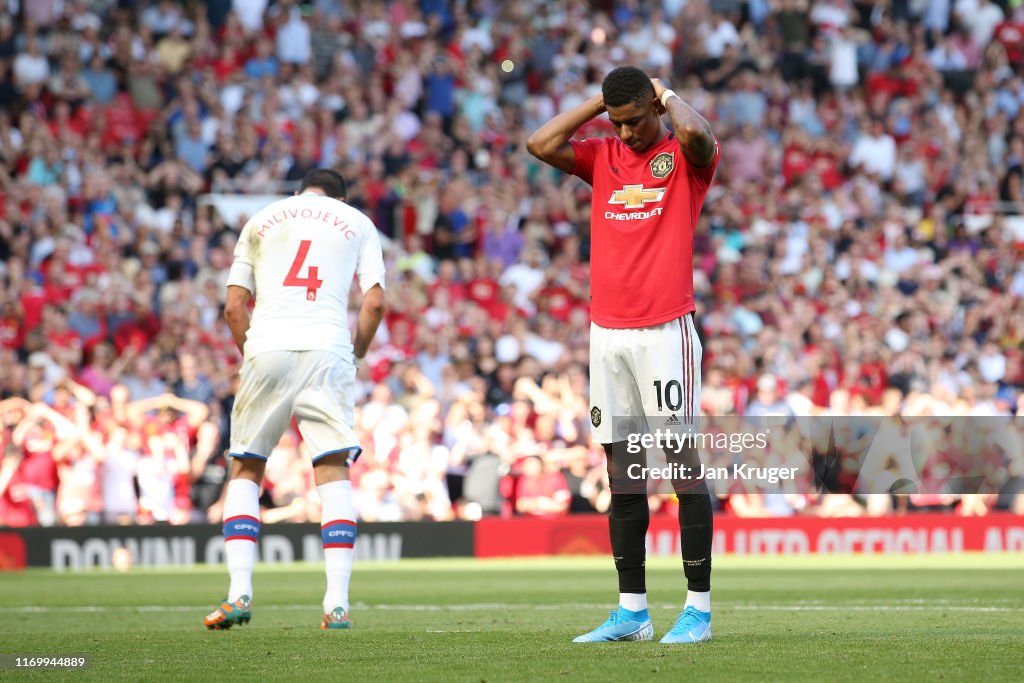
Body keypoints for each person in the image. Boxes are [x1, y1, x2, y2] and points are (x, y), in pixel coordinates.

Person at [527, 66, 719, 644]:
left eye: (635, 121)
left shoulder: (684, 158)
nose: (627, 132)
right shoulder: (603, 155)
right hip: (607, 333)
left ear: (656, 110)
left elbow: (698, 139)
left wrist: (665, 95)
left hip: (666, 331)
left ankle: (699, 611)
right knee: (623, 474)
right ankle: (632, 612)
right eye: (618, 122)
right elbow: (540, 144)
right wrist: (601, 104)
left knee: (682, 466)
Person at [203, 169, 387, 631]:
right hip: (327, 349)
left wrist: (252, 350)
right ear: (341, 198)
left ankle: (238, 593)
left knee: (246, 467)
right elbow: (375, 303)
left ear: (295, 193)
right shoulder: (355, 221)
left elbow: (233, 305)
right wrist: (357, 352)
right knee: (331, 471)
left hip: (267, 344)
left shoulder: (262, 218)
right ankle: (337, 605)